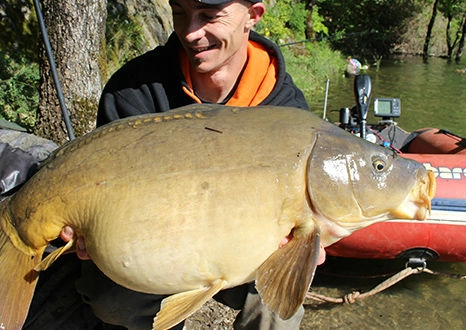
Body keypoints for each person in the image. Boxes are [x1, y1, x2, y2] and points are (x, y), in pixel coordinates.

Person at [62, 0, 320, 328]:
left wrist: (308, 248)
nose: (191, 31)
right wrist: (94, 231)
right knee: (113, 300)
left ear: (252, 16)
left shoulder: (288, 110)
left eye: (209, 16)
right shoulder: (134, 91)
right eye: (180, 12)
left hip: (245, 252)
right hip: (158, 244)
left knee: (281, 307)